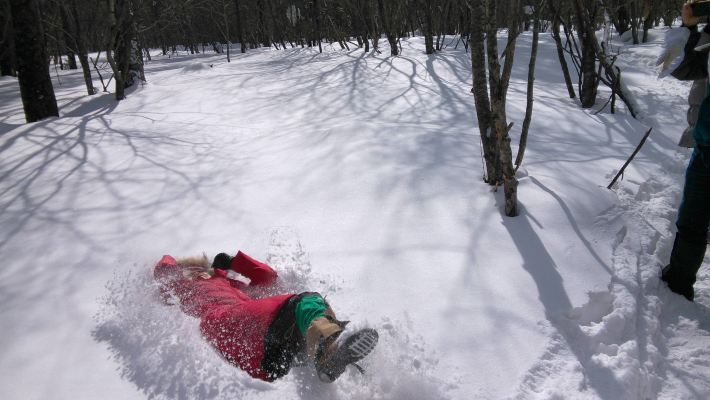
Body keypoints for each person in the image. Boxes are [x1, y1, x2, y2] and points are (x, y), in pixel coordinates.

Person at [153, 250, 378, 382]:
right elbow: (163, 269)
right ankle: (326, 349)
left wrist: (231, 264)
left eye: (202, 268)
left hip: (266, 353)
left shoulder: (228, 281)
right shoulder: (180, 286)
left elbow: (267, 277)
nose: (200, 272)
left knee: (301, 321)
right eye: (194, 270)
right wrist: (180, 265)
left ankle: (326, 354)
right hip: (231, 326)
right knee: (307, 301)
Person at [658, 0, 710, 301]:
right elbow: (678, 66)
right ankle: (677, 284)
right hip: (707, 149)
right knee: (691, 220)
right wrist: (689, 27)